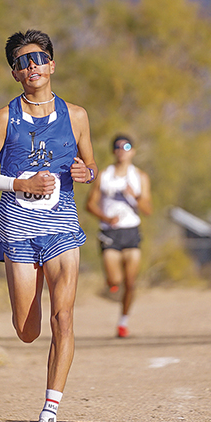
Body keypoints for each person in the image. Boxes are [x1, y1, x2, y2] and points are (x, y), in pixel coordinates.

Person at [0, 29, 97, 422]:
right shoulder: (4, 117)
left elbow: (91, 168)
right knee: (28, 331)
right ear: (14, 73)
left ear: (52, 65)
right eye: (23, 62)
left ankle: (49, 416)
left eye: (39, 58)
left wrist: (86, 172)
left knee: (64, 319)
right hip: (19, 229)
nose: (32, 67)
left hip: (61, 224)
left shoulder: (76, 115)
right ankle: (29, 310)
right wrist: (19, 184)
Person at [85, 134, 152, 338]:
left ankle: (123, 322)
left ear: (133, 151)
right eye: (118, 147)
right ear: (113, 151)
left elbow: (148, 209)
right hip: (110, 232)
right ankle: (111, 284)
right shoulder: (105, 176)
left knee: (131, 283)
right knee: (115, 279)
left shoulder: (140, 177)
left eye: (127, 146)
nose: (122, 150)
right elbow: (89, 204)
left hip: (131, 231)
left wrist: (135, 196)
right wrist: (105, 217)